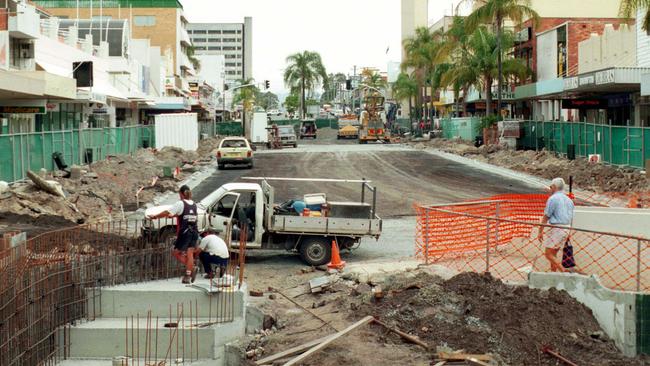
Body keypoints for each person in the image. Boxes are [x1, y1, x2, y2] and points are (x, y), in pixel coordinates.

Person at [148, 185, 199, 284]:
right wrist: (175, 215)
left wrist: (155, 217)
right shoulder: (193, 204)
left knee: (176, 252)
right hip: (194, 232)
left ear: (181, 194)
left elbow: (167, 212)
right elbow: (186, 215)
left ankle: (192, 268)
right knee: (190, 254)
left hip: (185, 233)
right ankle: (188, 275)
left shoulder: (181, 203)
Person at [537, 178, 574, 272]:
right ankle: (553, 274)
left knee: (548, 254)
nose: (550, 189)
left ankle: (563, 271)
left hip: (557, 229)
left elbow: (546, 216)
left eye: (550, 187)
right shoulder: (569, 200)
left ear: (554, 187)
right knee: (554, 254)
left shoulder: (553, 198)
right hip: (566, 228)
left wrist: (540, 231)